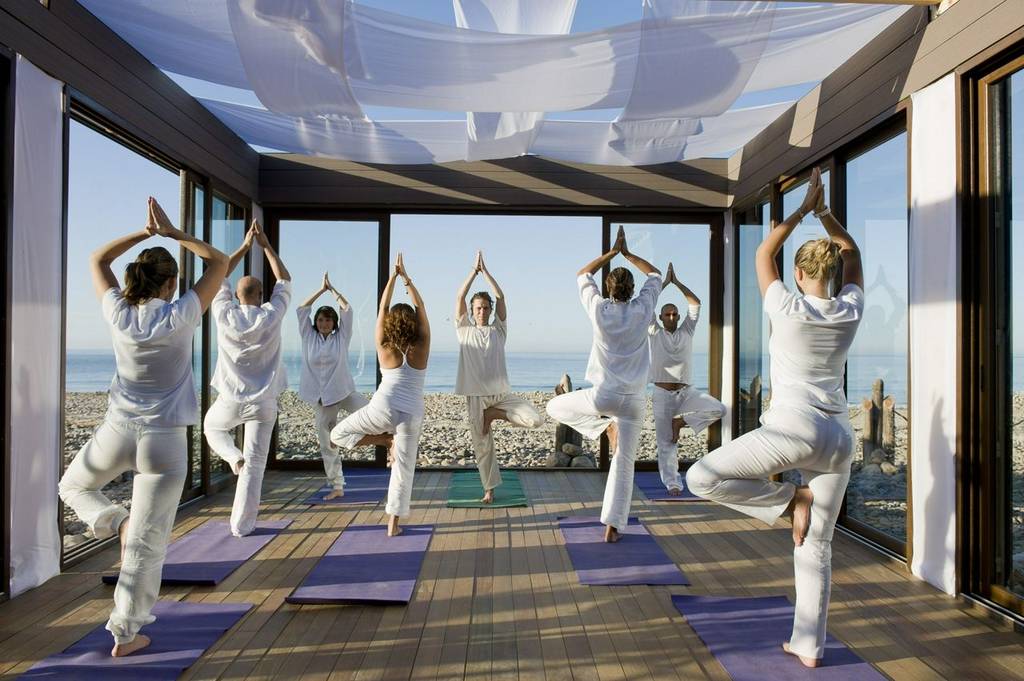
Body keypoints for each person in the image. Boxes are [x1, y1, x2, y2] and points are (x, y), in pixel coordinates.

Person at [685, 168, 863, 668]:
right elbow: (852, 255)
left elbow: (764, 254)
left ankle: (789, 499)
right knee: (816, 546)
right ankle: (808, 647)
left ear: (801, 275)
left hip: (794, 430)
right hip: (839, 438)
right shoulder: (850, 308)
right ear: (831, 274)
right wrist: (827, 213)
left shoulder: (786, 306)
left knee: (702, 477)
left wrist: (804, 208)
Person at [58, 197, 228, 657]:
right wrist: (174, 233)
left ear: (135, 277)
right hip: (163, 442)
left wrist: (144, 233)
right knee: (147, 545)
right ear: (172, 282)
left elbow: (98, 259)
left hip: (117, 432)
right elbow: (221, 261)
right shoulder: (181, 314)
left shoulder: (118, 312)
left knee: (72, 486)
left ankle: (113, 520)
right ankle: (125, 633)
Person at [546, 226, 661, 543]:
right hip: (634, 400)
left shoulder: (598, 309)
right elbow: (655, 274)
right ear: (632, 288)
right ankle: (612, 527)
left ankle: (601, 428)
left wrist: (611, 252)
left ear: (609, 289)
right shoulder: (643, 308)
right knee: (624, 463)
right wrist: (628, 253)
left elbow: (583, 274)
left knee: (555, 405)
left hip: (603, 396)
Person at [332, 254, 429, 537]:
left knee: (337, 435)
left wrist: (392, 278)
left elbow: (383, 306)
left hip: (383, 407)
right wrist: (407, 280)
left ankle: (384, 440)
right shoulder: (422, 344)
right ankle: (393, 525)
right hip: (411, 411)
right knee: (403, 469)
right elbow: (420, 305)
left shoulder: (383, 343)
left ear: (389, 324)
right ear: (412, 323)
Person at [204, 220, 291, 536]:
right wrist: (266, 245)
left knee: (212, 427)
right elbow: (284, 278)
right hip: (263, 403)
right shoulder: (271, 315)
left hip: (230, 399)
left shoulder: (223, 313)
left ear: (236, 295)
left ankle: (232, 458)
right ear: (261, 295)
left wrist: (244, 245)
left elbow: (222, 274)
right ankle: (241, 526)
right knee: (256, 465)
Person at [454, 251, 543, 503]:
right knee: (483, 447)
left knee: (535, 420)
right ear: (472, 311)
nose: (481, 311)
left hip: (501, 395)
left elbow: (501, 296)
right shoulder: (463, 331)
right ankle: (489, 489)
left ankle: (494, 415)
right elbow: (460, 296)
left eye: (485, 308)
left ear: (490, 310)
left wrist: (487, 273)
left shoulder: (499, 331)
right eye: (478, 308)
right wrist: (473, 272)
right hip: (475, 396)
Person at [649, 262, 726, 495]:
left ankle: (680, 422)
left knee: (718, 409)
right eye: (667, 314)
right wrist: (663, 283)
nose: (671, 317)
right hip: (662, 395)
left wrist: (677, 283)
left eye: (674, 313)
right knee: (666, 444)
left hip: (686, 393)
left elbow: (695, 303)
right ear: (661, 318)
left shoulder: (687, 330)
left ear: (678, 316)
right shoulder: (653, 331)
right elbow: (647, 303)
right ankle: (673, 483)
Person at [296, 271, 368, 500]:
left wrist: (333, 290)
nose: (324, 323)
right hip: (322, 398)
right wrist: (320, 290)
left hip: (343, 391)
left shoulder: (341, 337)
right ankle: (337, 485)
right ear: (315, 323)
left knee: (374, 413)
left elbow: (348, 310)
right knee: (326, 442)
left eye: (328, 319)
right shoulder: (308, 336)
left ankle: (392, 443)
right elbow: (301, 309)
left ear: (334, 323)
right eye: (320, 319)